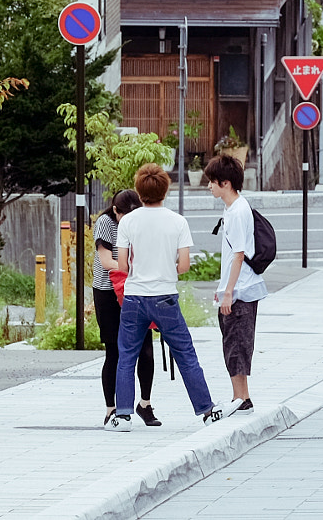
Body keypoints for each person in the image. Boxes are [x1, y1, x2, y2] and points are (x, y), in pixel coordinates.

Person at [106, 163, 225, 430]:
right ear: (165, 189)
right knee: (185, 354)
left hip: (135, 297)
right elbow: (184, 266)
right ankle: (207, 410)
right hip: (165, 297)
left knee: (126, 355)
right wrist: (163, 269)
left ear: (138, 191)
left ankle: (123, 415)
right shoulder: (177, 221)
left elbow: (123, 266)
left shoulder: (127, 222)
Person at [202, 153, 264, 417]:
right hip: (236, 289)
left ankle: (241, 398)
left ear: (225, 183)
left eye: (212, 182)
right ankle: (241, 397)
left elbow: (239, 254)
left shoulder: (238, 211)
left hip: (240, 290)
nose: (209, 186)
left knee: (237, 343)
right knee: (232, 342)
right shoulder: (232, 209)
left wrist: (228, 292)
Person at [92, 189, 158, 427]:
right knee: (114, 350)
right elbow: (107, 261)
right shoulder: (105, 223)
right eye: (125, 216)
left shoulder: (140, 220)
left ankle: (145, 404)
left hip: (136, 289)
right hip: (108, 292)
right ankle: (112, 408)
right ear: (115, 210)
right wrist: (139, 268)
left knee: (145, 349)